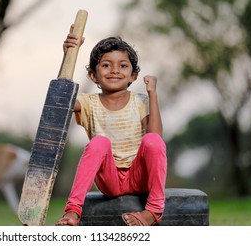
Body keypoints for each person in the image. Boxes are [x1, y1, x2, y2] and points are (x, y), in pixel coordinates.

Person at [55, 24, 167, 226]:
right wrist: (69, 54)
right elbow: (61, 99)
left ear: (133, 75)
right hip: (110, 180)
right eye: (106, 65)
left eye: (123, 66)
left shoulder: (140, 101)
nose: (115, 70)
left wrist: (152, 94)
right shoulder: (88, 103)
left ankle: (154, 210)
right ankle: (72, 211)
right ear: (93, 75)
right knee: (99, 143)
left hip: (139, 176)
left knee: (151, 140)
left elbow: (156, 139)